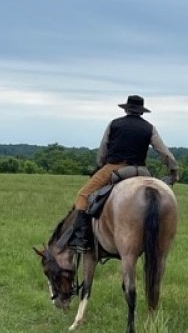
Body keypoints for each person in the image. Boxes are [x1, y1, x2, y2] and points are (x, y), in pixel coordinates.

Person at [69, 95, 179, 253]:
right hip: (141, 171)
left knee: (83, 195)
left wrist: (99, 167)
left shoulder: (114, 124)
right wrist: (173, 169)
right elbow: (164, 152)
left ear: (126, 109)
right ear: (141, 112)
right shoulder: (149, 128)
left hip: (115, 167)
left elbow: (103, 151)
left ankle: (81, 238)